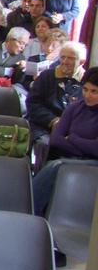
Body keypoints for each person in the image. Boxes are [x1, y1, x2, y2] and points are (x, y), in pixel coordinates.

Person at [32, 67, 98, 226]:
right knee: (53, 166)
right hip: (71, 158)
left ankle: (28, 211)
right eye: (86, 89)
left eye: (94, 92)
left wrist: (73, 138)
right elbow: (56, 139)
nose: (87, 95)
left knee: (55, 167)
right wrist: (83, 147)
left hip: (93, 163)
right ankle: (37, 218)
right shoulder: (75, 108)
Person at [26, 41, 86, 142]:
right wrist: (54, 121)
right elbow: (33, 104)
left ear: (82, 62)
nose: (65, 62)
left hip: (76, 129)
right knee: (46, 144)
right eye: (62, 57)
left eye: (70, 58)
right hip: (44, 126)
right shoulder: (46, 76)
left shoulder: (88, 81)